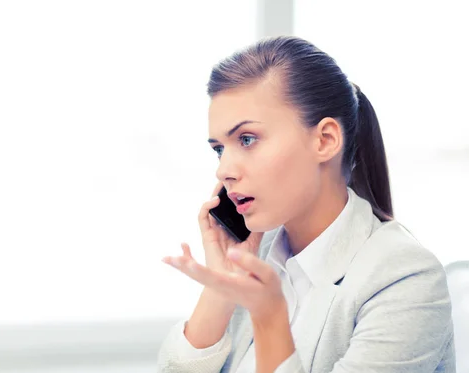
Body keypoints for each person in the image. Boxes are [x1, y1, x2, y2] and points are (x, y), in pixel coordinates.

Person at [157, 36, 456, 373]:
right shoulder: (259, 251)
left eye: (247, 139)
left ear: (325, 140)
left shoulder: (404, 277)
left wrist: (270, 319)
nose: (223, 170)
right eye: (219, 149)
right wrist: (222, 288)